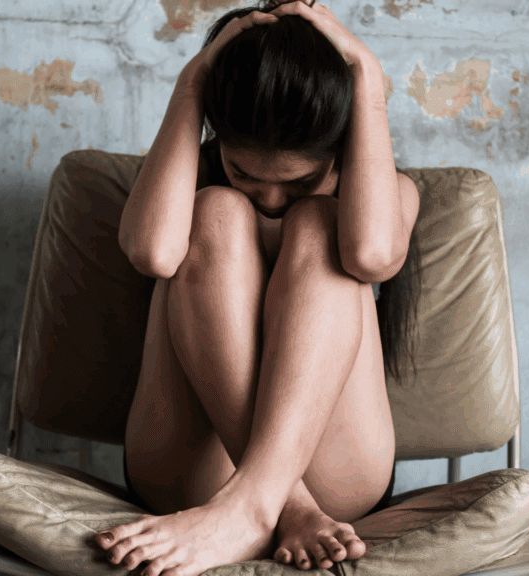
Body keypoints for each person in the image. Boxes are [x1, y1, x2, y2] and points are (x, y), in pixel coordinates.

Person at [95, 1, 421, 574]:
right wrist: (193, 81)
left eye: (297, 181)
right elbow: (152, 251)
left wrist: (366, 76)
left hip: (337, 476)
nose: (269, 198)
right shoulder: (187, 185)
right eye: (246, 171)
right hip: (196, 470)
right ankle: (271, 504)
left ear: (340, 146)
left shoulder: (387, 195)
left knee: (322, 225)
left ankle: (251, 504)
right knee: (216, 210)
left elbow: (370, 255)